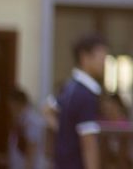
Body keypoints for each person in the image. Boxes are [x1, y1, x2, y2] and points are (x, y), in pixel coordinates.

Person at [55, 33, 109, 169]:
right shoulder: (85, 94)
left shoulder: (69, 87)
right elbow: (88, 143)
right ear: (84, 57)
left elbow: (48, 109)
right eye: (101, 57)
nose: (104, 63)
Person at [7, 87, 48, 169]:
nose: (10, 110)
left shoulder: (32, 122)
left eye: (12, 105)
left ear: (18, 104)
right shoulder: (20, 120)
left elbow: (31, 150)